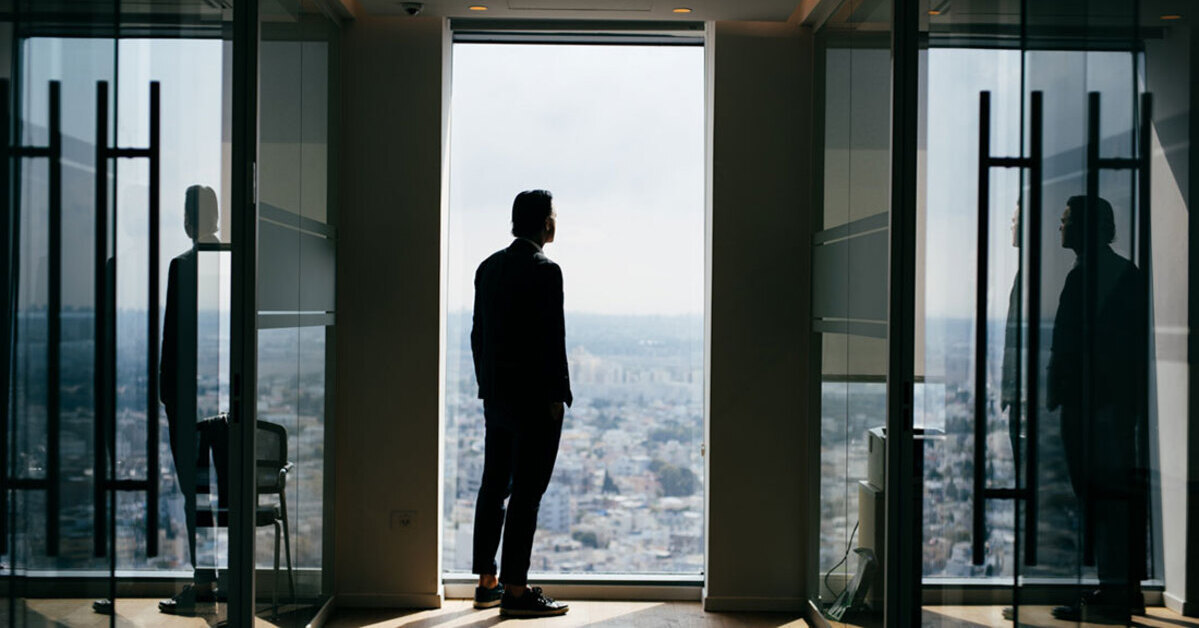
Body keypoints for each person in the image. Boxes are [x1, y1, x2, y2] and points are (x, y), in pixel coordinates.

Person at [470, 189, 572, 617]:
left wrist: (486, 387)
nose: (556, 222)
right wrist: (557, 397)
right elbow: (552, 341)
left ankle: (487, 582)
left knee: (494, 487)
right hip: (534, 403)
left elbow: (478, 336)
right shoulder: (546, 271)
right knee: (528, 494)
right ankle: (516, 591)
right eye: (554, 215)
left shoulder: (488, 268)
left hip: (496, 399)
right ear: (544, 223)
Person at [1047, 195, 1148, 622]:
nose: (1060, 227)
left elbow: (1073, 344)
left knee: (1099, 496)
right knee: (1112, 499)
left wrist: (1059, 390)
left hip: (1093, 410)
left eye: (1067, 220)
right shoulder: (1124, 275)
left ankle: (1113, 592)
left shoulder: (1088, 276)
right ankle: (1120, 589)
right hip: (1112, 409)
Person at [159, 185, 224, 614]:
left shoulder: (183, 266)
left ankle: (203, 584)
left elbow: (173, 340)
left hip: (191, 405)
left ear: (187, 220)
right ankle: (235, 583)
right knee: (231, 499)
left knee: (196, 498)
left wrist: (169, 397)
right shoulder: (237, 262)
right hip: (230, 398)